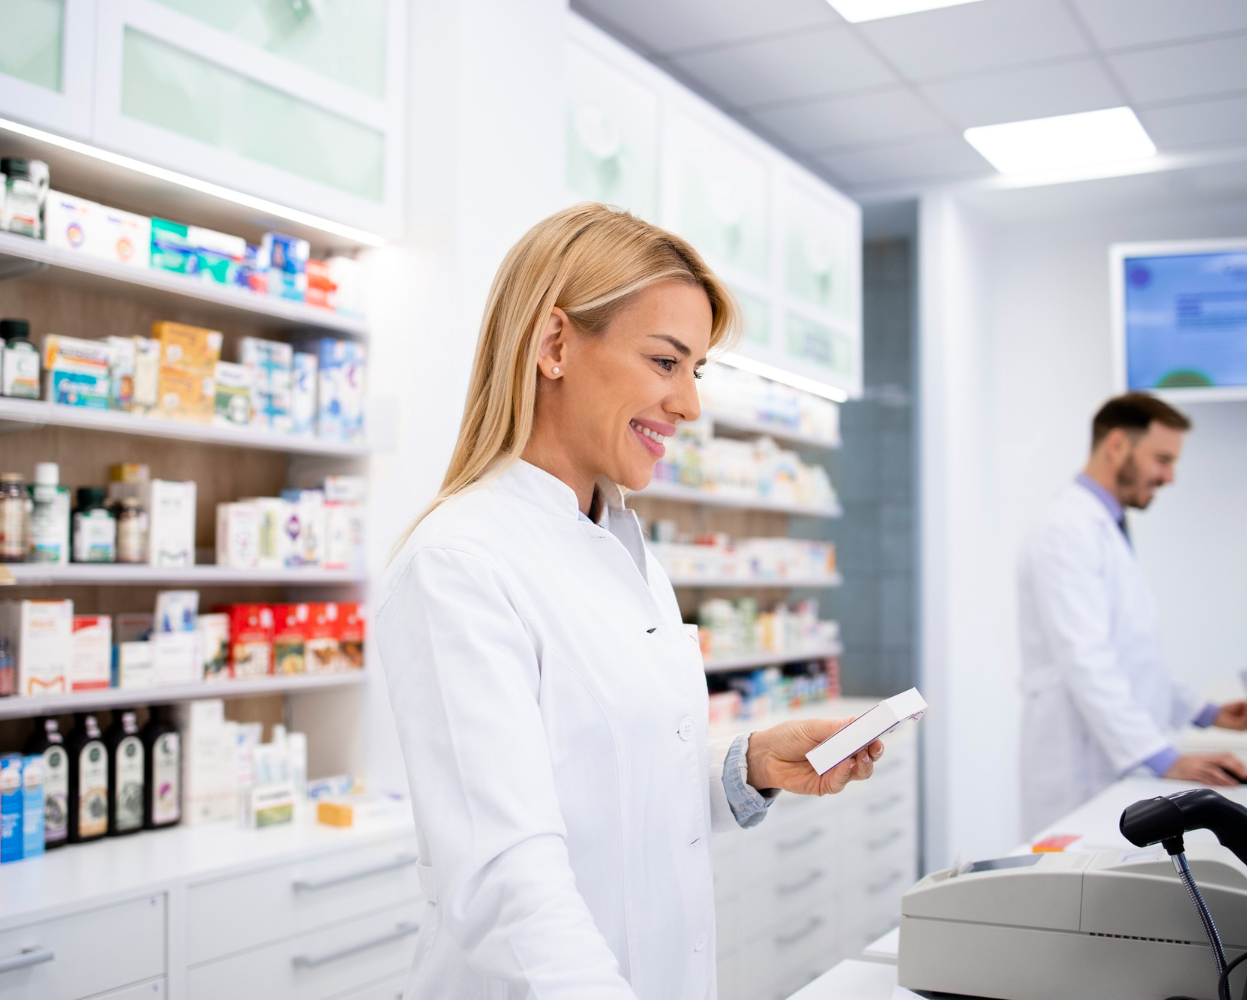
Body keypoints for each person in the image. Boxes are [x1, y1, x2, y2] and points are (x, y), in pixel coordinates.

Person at [376, 204, 884, 999]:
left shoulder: (623, 544)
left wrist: (746, 767)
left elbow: (609, 773)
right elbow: (507, 878)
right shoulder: (460, 563)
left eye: (695, 372)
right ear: (553, 345)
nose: (689, 404)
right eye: (664, 361)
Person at [1018, 393, 1247, 836]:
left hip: (1111, 763)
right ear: (1117, 444)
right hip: (1079, 770)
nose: (1170, 476)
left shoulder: (1104, 527)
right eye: (1162, 459)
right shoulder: (1065, 529)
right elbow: (1087, 660)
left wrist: (1206, 712)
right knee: (1082, 897)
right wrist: (1166, 759)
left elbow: (1133, 654)